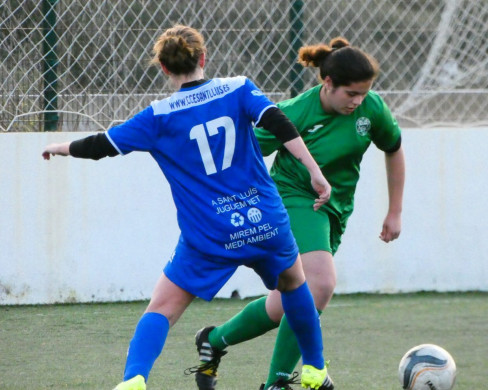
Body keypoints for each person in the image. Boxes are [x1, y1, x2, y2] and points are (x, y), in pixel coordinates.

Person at [42, 25, 333, 390]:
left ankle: (134, 379)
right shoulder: (239, 87)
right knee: (294, 285)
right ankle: (314, 368)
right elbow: (277, 121)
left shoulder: (157, 116)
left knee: (162, 308)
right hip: (265, 222)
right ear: (203, 58)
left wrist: (61, 146)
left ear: (163, 68)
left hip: (210, 234)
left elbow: (103, 145)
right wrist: (314, 172)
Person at [192, 37, 405, 390]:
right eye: (351, 93)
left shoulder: (372, 109)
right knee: (320, 283)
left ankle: (213, 341)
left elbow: (394, 149)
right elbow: (241, 152)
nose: (358, 101)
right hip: (292, 199)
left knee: (284, 304)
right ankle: (276, 383)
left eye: (364, 94)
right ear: (328, 84)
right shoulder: (295, 112)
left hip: (335, 209)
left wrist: (394, 211)